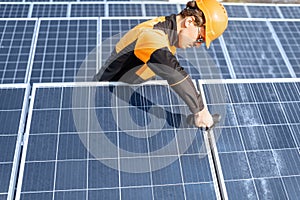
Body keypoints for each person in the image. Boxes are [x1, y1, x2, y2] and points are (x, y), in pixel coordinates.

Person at [93, 0, 228, 128]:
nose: (198, 45)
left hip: (127, 88)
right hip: (106, 96)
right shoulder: (152, 35)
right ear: (189, 21)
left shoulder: (169, 33)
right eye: (200, 38)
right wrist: (200, 110)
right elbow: (171, 71)